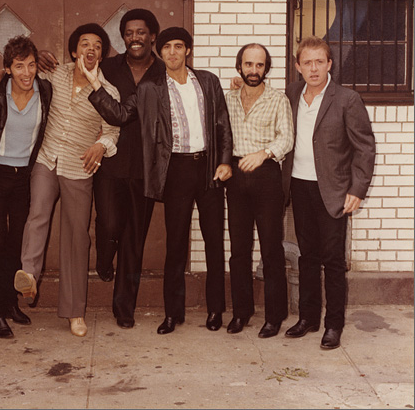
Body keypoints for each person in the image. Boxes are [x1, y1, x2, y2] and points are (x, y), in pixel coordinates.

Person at [85, 27, 233, 334]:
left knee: (214, 243)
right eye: (167, 48)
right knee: (176, 245)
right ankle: (172, 313)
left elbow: (222, 125)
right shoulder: (150, 88)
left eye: (179, 47)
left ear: (187, 51)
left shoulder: (208, 81)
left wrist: (225, 162)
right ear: (160, 52)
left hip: (208, 170)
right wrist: (93, 85)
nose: (173, 53)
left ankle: (216, 310)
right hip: (175, 171)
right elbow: (120, 114)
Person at [36, 9, 165, 329]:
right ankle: (105, 260)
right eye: (129, 33)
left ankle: (124, 307)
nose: (135, 38)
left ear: (152, 36)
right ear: (123, 38)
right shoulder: (107, 66)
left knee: (134, 238)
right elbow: (69, 72)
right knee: (107, 225)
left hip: (146, 165)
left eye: (141, 32)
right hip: (108, 163)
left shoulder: (164, 73)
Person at [12, 23, 120, 337]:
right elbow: (23, 77)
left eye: (97, 46)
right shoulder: (54, 75)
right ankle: (29, 277)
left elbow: (113, 130)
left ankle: (75, 312)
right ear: (74, 51)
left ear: (101, 54)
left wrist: (101, 145)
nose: (91, 50)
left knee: (77, 237)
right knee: (38, 214)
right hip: (47, 159)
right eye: (85, 44)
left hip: (79, 167)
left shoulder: (107, 91)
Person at [282, 36, 375, 349]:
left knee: (333, 260)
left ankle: (333, 324)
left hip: (334, 191)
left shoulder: (347, 99)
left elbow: (364, 147)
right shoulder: (292, 93)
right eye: (306, 62)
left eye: (319, 61)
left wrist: (357, 189)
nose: (313, 68)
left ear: (329, 64)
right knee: (307, 256)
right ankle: (308, 318)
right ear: (298, 66)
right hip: (299, 185)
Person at [0, 36, 52, 339]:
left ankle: (10, 303)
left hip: (25, 176)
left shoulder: (45, 91)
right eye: (19, 66)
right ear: (7, 69)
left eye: (31, 65)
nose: (26, 72)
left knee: (16, 244)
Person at [224, 43, 294, 338]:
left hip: (266, 175)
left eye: (260, 65)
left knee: (271, 248)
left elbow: (286, 139)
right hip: (236, 176)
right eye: (249, 65)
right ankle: (242, 312)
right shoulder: (227, 98)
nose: (254, 71)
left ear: (267, 68)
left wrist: (263, 153)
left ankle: (275, 316)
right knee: (239, 249)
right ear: (239, 66)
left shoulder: (278, 100)